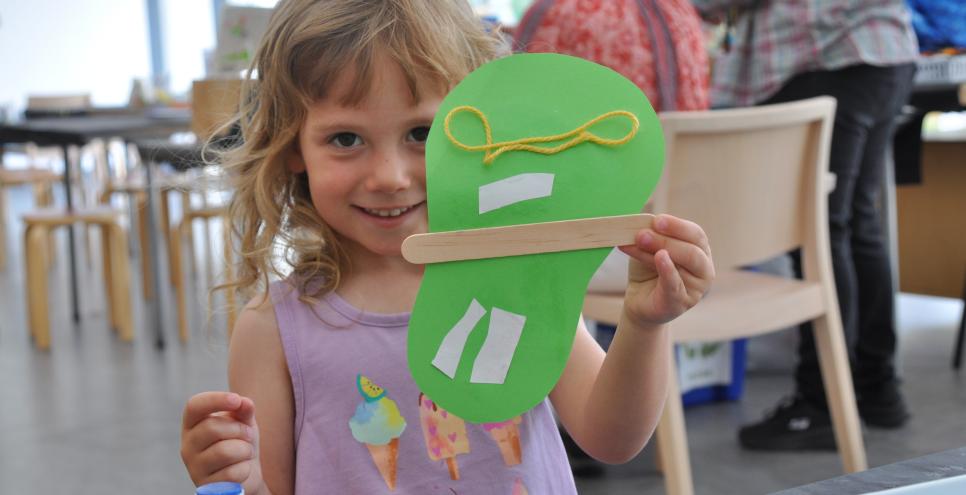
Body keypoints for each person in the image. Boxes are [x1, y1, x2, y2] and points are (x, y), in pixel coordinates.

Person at [178, 1, 715, 494]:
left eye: (421, 133)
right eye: (346, 139)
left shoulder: (515, 277)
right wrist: (237, 479)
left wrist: (643, 326)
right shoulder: (274, 327)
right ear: (294, 146)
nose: (389, 177)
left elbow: (612, 438)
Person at [691, 0, 919, 450]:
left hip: (824, 57)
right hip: (885, 52)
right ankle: (876, 391)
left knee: (822, 232)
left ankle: (822, 406)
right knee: (856, 226)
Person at [513, 0, 709, 113]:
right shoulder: (680, 10)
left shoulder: (558, 11)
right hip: (686, 175)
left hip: (600, 177)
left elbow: (516, 107)